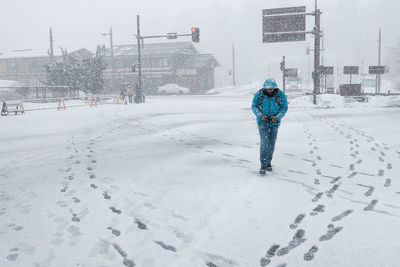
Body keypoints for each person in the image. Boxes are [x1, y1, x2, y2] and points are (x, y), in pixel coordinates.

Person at [252, 78, 288, 175]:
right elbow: (254, 106)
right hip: (262, 123)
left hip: (274, 123)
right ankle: (263, 164)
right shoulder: (258, 95)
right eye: (268, 89)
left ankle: (268, 162)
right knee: (264, 143)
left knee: (271, 143)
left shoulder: (280, 95)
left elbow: (284, 107)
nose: (269, 90)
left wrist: (277, 117)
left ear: (275, 88)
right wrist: (260, 115)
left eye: (271, 89)